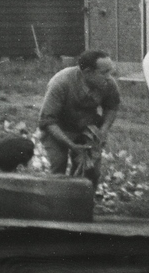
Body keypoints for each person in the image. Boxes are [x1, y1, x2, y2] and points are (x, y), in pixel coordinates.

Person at [39, 49, 121, 187]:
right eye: (104, 72)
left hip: (86, 129)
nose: (109, 77)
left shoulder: (108, 84)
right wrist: (70, 145)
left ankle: (82, 202)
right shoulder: (61, 82)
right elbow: (48, 120)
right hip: (58, 129)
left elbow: (112, 107)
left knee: (91, 172)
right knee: (58, 167)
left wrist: (104, 129)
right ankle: (54, 203)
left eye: (110, 71)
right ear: (88, 72)